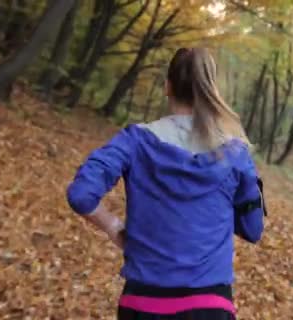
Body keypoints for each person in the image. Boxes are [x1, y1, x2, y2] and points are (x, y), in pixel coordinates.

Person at [66, 47, 266, 320]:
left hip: (142, 306)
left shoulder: (134, 141)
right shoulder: (234, 154)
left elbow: (81, 194)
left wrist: (113, 227)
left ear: (166, 87)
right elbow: (253, 230)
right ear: (209, 90)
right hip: (210, 307)